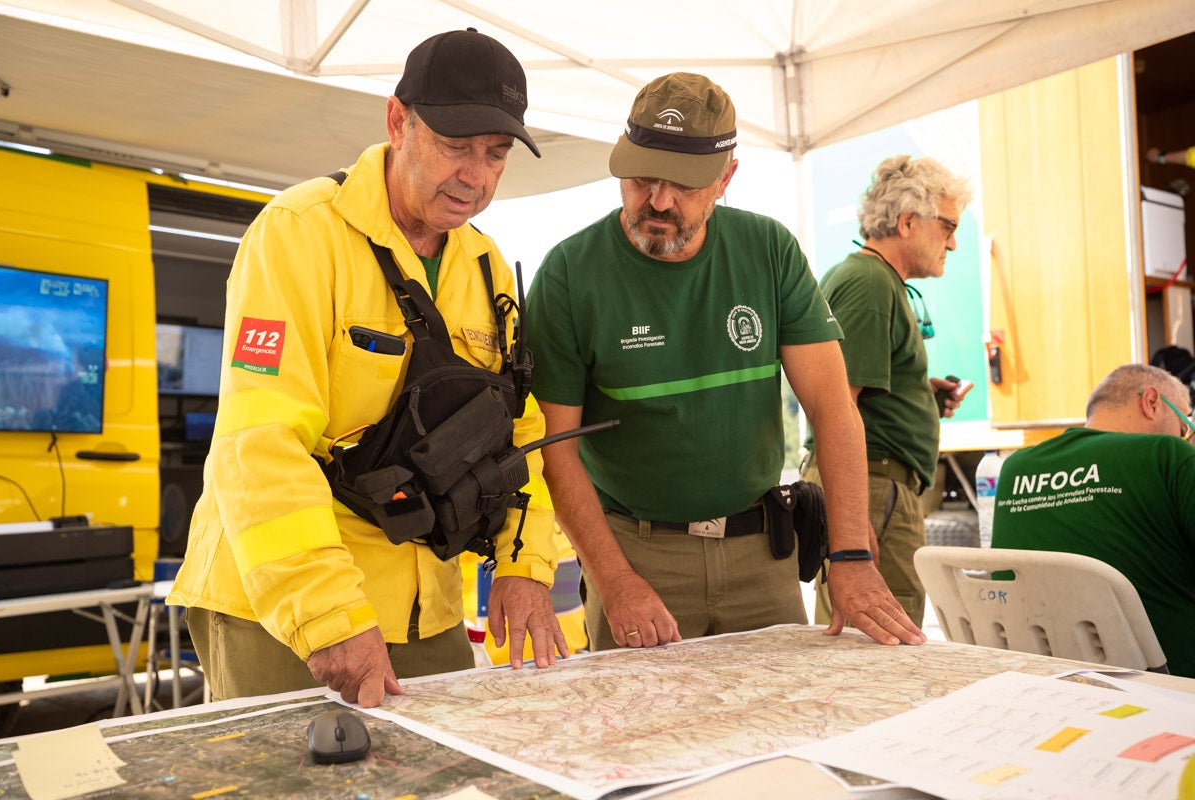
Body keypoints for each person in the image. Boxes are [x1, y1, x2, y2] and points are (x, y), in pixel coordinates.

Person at [168, 28, 568, 708]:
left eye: (496, 154)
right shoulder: (298, 233)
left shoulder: (486, 267)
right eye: (456, 146)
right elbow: (260, 442)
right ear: (397, 122)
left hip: (428, 613)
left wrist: (525, 564)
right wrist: (330, 615)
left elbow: (518, 432)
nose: (475, 176)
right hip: (285, 613)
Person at [524, 72, 925, 652]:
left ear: (725, 178)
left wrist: (851, 556)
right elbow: (554, 449)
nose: (658, 201)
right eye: (641, 177)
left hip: (762, 551)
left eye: (682, 183)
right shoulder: (568, 273)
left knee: (788, 703)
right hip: (638, 555)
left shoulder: (769, 249)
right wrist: (614, 580)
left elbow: (833, 407)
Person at [801, 155, 972, 628]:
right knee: (879, 643)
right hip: (874, 486)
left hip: (876, 486)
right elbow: (835, 404)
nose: (953, 243)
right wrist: (853, 528)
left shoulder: (871, 280)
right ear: (908, 221)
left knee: (876, 639)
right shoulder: (870, 283)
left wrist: (917, 393)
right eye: (948, 226)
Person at [990, 363, 1195, 678]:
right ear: (1152, 402)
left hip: (1049, 678)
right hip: (1169, 683)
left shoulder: (1015, 467)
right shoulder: (1168, 453)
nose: (1184, 437)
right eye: (1183, 426)